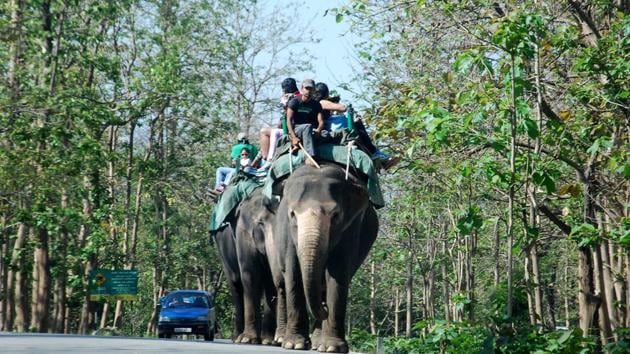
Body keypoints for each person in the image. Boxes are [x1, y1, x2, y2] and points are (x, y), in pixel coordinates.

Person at [314, 82, 400, 170]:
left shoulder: (311, 104)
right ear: (326, 94)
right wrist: (340, 106)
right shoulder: (322, 102)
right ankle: (374, 152)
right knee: (357, 123)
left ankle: (376, 157)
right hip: (329, 131)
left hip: (324, 130)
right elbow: (342, 108)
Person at [254, 78, 300, 171]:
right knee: (265, 132)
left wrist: (285, 105)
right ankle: (263, 160)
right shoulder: (300, 96)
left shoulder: (291, 98)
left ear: (284, 89)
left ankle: (268, 161)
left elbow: (286, 119)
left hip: (292, 130)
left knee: (270, 132)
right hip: (292, 127)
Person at [286, 79, 325, 164]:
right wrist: (293, 137)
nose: (309, 91)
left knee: (326, 133)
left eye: (311, 89)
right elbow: (288, 120)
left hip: (311, 130)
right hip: (297, 130)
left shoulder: (316, 104)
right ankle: (309, 156)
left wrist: (318, 130)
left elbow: (321, 121)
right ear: (302, 89)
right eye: (307, 88)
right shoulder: (294, 102)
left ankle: (302, 144)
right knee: (307, 126)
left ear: (314, 91)